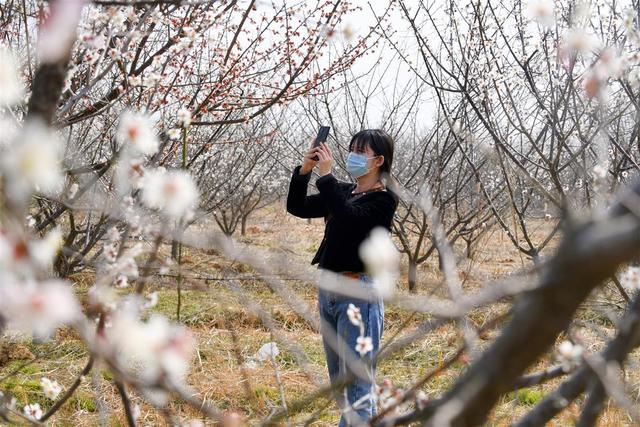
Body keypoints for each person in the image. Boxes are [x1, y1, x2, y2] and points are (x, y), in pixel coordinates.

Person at [286, 129, 398, 426]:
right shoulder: (345, 192)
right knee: (341, 382)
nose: (354, 156)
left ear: (379, 161)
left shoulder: (384, 201)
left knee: (358, 385)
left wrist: (326, 178)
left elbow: (350, 219)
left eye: (361, 151)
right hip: (330, 291)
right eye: (352, 149)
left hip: (358, 294)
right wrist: (304, 172)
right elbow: (297, 207)